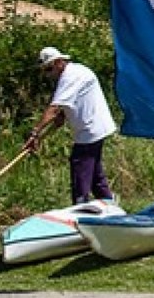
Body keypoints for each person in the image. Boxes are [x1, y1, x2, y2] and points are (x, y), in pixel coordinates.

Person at [24, 46, 117, 205]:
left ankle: (79, 209)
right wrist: (63, 115)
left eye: (49, 69)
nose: (48, 74)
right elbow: (74, 101)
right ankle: (109, 206)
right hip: (96, 128)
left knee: (80, 168)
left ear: (59, 62)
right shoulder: (76, 72)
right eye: (45, 70)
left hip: (89, 131)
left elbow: (53, 109)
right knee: (95, 174)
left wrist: (35, 134)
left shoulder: (70, 76)